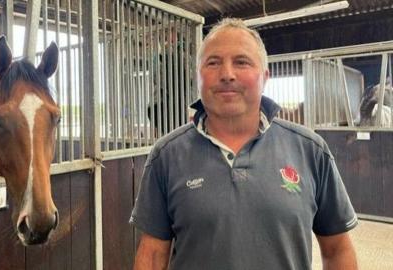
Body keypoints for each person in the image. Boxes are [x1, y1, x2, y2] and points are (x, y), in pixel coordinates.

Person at [130, 18, 358, 270]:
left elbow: (337, 249)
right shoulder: (166, 155)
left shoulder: (311, 151)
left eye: (241, 62)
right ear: (198, 76)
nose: (227, 74)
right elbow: (152, 255)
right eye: (213, 62)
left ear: (265, 76)